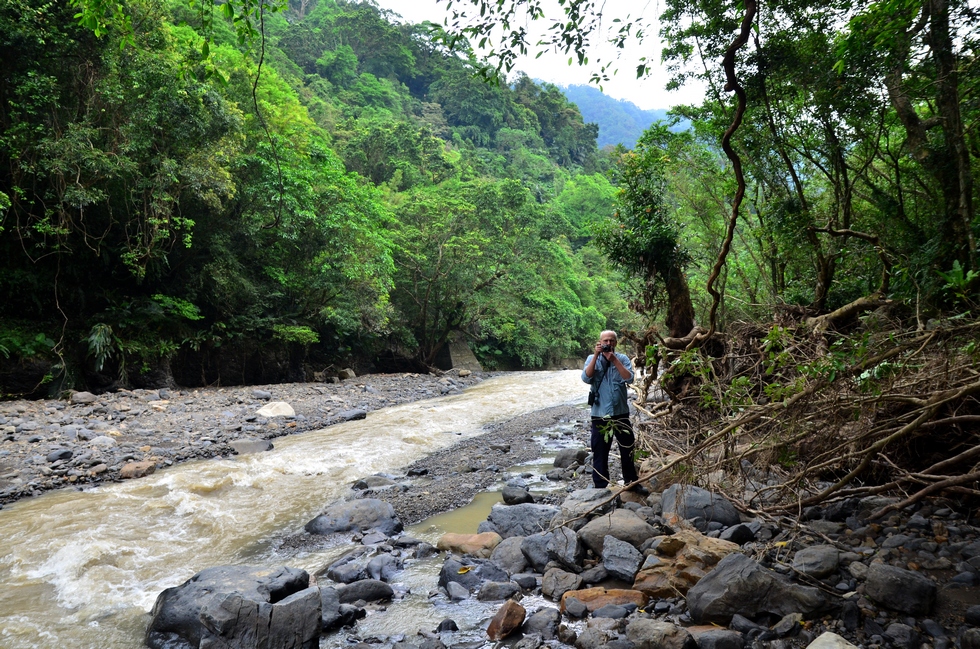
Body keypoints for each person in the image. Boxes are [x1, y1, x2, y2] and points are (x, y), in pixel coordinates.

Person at [582, 330, 643, 491]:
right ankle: (600, 486)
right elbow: (586, 378)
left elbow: (629, 378)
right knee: (600, 452)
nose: (608, 344)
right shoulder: (591, 358)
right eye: (605, 341)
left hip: (620, 413)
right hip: (600, 414)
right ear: (600, 342)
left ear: (616, 343)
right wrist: (596, 356)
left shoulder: (622, 359)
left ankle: (631, 482)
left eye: (611, 341)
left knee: (627, 449)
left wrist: (614, 359)